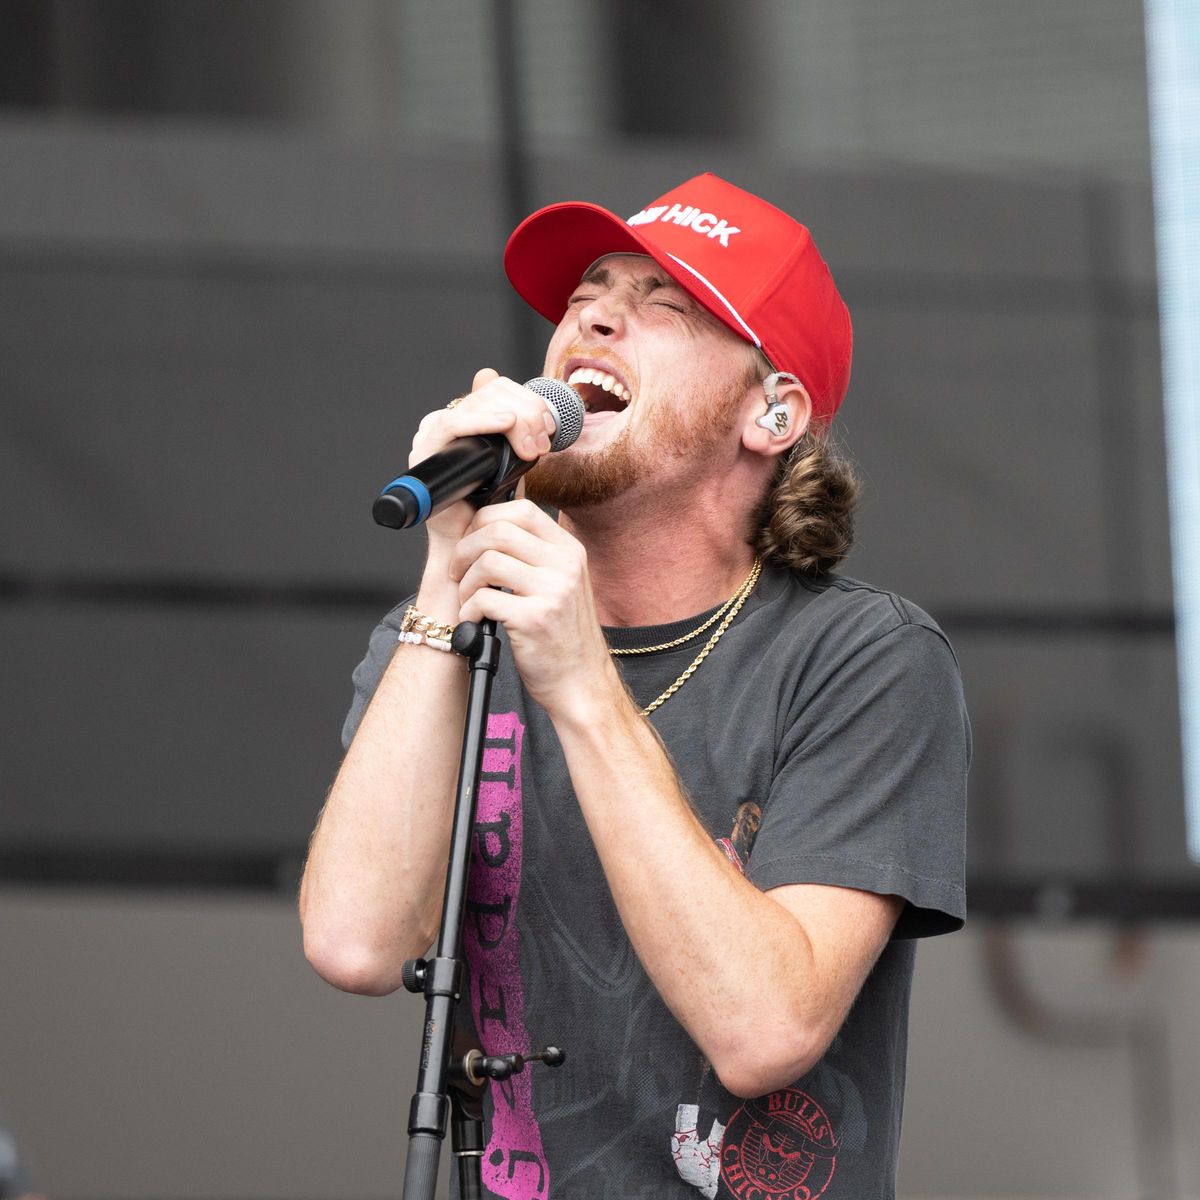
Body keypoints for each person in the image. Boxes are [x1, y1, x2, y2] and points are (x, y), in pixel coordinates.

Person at [299, 172, 969, 1199]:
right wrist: (447, 567)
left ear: (773, 410)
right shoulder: (446, 637)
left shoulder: (864, 658)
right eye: (585, 297)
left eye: (666, 306)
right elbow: (356, 944)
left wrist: (580, 683)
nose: (595, 318)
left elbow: (764, 1030)